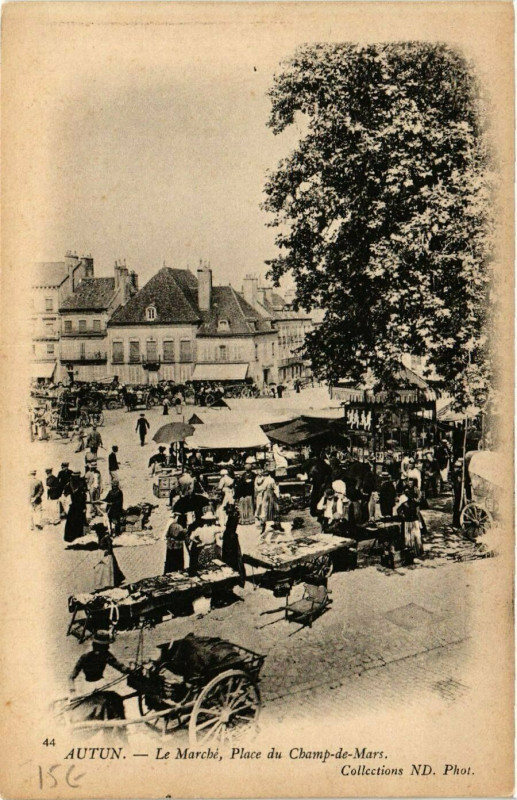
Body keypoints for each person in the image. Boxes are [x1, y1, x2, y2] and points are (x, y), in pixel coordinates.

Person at [395, 482, 425, 558]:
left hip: (412, 521)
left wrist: (403, 516)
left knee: (413, 537)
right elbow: (398, 510)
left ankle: (413, 551)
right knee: (412, 537)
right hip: (410, 521)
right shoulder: (411, 503)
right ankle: (414, 552)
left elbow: (399, 511)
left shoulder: (412, 502)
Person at [221, 504, 246, 587]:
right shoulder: (234, 517)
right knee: (235, 557)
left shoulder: (232, 518)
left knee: (230, 556)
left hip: (229, 539)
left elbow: (230, 529)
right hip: (231, 538)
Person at [64, 472, 88, 543]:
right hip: (76, 504)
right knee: (76, 520)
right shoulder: (73, 483)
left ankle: (75, 536)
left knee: (75, 520)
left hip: (77, 504)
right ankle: (74, 536)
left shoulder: (73, 482)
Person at [235, 458, 256, 524]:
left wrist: (250, 482)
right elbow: (241, 483)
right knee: (244, 506)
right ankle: (244, 519)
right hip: (244, 492)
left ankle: (250, 519)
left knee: (249, 506)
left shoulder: (253, 474)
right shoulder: (243, 475)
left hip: (249, 492)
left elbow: (254, 483)